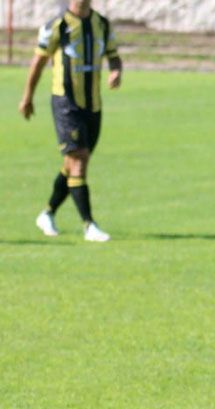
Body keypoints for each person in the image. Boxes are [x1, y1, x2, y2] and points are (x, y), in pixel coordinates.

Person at [18, 0, 121, 243]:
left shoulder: (102, 25)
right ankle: (89, 225)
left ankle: (47, 213)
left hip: (93, 105)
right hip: (66, 105)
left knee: (73, 164)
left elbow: (114, 55)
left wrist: (116, 71)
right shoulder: (57, 26)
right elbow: (38, 63)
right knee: (80, 161)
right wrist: (27, 97)